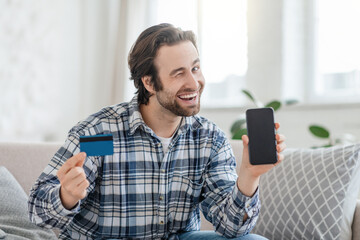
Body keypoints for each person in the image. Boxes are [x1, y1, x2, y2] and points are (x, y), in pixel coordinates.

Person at [28, 23, 286, 240]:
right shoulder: (103, 135)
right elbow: (38, 212)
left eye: (195, 68)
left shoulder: (208, 140)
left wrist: (249, 176)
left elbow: (233, 227)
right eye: (178, 74)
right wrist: (66, 196)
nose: (194, 83)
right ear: (149, 83)